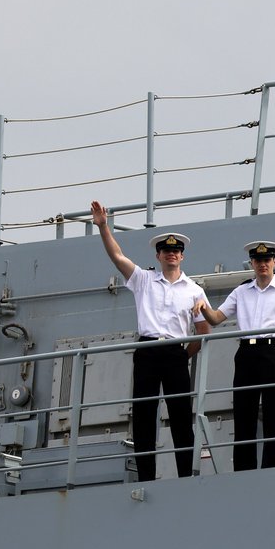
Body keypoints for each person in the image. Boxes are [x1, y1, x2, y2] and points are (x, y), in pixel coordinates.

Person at [90, 201, 210, 481]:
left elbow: (204, 331)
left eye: (176, 251)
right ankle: (146, 476)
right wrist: (103, 226)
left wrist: (184, 355)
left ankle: (185, 476)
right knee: (144, 416)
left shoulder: (194, 290)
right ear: (158, 255)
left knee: (181, 416)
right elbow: (117, 257)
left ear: (182, 256)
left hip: (175, 352)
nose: (172, 254)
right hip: (146, 350)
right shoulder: (144, 280)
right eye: (167, 251)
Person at [194, 241, 275, 470]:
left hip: (272, 351)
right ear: (252, 263)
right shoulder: (242, 291)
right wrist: (203, 307)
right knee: (244, 413)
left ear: (274, 262)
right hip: (246, 352)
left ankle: (273, 467)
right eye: (258, 261)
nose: (263, 265)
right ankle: (243, 469)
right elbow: (217, 318)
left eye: (267, 260)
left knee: (274, 414)